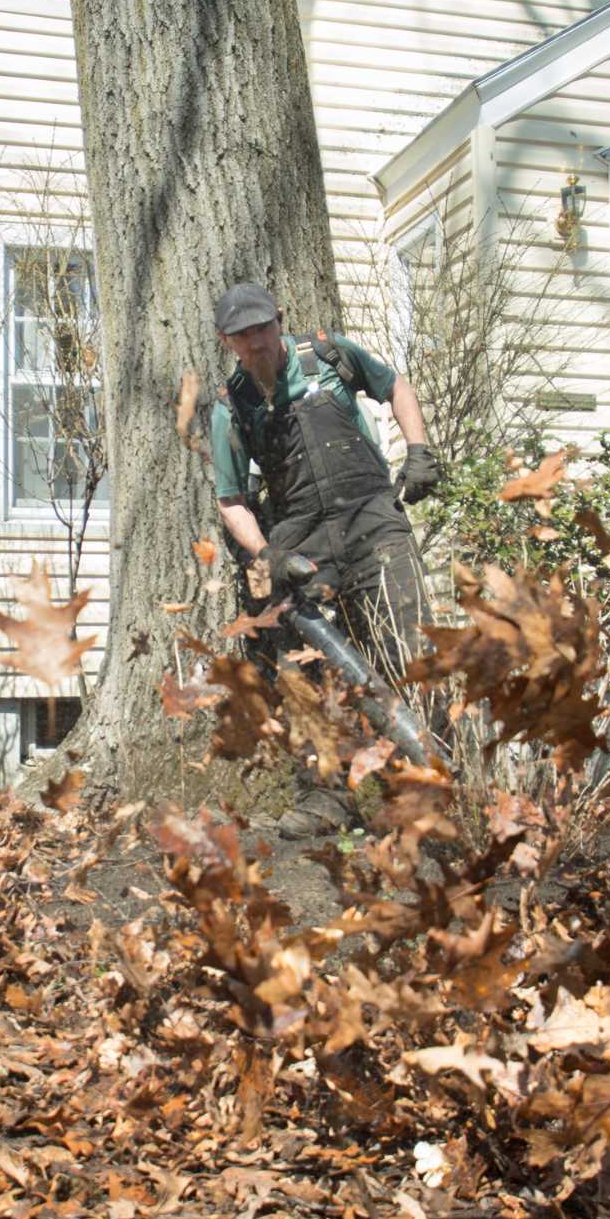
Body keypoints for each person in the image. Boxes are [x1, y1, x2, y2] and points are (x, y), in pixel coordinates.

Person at [208, 281, 440, 835]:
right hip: (302, 542)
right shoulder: (231, 406)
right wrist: (269, 552)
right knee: (304, 675)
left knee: (410, 645)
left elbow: (397, 386)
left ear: (278, 321)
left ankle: (432, 783)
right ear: (228, 342)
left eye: (262, 329)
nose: (257, 343)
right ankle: (326, 798)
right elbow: (231, 500)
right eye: (243, 337)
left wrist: (420, 449)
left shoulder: (328, 356)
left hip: (372, 519)